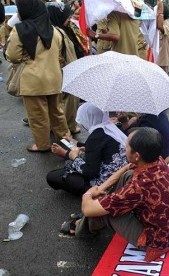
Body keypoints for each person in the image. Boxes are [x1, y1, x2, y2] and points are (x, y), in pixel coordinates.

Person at [72, 127, 169, 263]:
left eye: (126, 146)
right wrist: (101, 188)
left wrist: (88, 193)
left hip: (155, 242)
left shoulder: (138, 186)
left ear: (136, 155)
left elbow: (87, 210)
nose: (124, 149)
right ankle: (99, 210)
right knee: (127, 175)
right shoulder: (156, 160)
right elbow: (126, 169)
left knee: (106, 212)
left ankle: (82, 230)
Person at [6, 0, 69, 152]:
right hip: (54, 78)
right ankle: (65, 140)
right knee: (57, 112)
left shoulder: (19, 30)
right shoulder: (55, 31)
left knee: (37, 116)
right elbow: (60, 56)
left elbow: (13, 56)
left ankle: (42, 145)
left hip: (33, 81)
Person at [47, 103, 128, 196]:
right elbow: (100, 148)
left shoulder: (96, 136)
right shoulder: (112, 128)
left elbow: (90, 172)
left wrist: (74, 157)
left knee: (53, 176)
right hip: (122, 177)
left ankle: (93, 192)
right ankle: (67, 155)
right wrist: (76, 143)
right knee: (81, 158)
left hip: (107, 184)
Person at [46, 2, 83, 135]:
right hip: (64, 71)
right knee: (65, 100)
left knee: (69, 100)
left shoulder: (62, 29)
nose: (69, 18)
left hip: (70, 69)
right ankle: (65, 127)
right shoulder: (55, 32)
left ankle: (65, 125)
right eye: (67, 16)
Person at [156, 1, 169, 73]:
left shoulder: (168, 22)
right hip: (158, 54)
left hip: (163, 56)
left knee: (162, 75)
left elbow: (160, 27)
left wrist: (160, 12)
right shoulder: (159, 21)